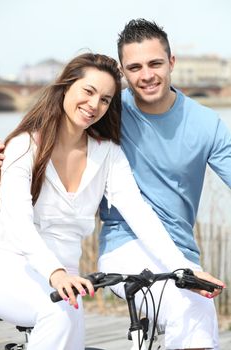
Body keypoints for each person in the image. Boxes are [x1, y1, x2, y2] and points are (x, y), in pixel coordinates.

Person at [0, 52, 223, 350]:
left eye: (105, 99)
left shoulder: (107, 153)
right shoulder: (25, 145)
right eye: (88, 91)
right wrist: (54, 271)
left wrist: (184, 268)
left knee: (66, 314)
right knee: (58, 315)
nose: (94, 105)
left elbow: (139, 213)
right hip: (15, 268)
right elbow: (18, 221)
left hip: (69, 280)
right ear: (66, 87)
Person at [98, 19, 231, 350]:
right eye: (135, 67)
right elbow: (59, 125)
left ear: (172, 62)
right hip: (122, 245)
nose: (146, 75)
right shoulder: (108, 111)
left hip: (182, 252)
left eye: (155, 63)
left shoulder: (205, 123)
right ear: (123, 72)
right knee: (194, 308)